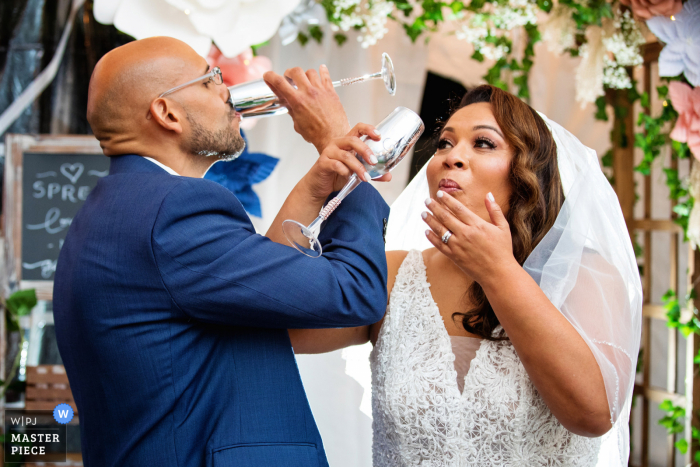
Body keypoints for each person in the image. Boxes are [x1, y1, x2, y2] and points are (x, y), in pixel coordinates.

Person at [53, 36, 392, 467]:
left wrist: (317, 183)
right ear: (167, 113)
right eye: (210, 80)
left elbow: (257, 292)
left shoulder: (118, 210)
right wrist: (346, 148)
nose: (227, 90)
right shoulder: (172, 213)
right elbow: (356, 293)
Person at [289, 85, 642, 466]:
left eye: (484, 143)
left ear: (530, 173)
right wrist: (318, 182)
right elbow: (283, 321)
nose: (452, 157)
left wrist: (497, 270)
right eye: (444, 144)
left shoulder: (586, 276)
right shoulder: (393, 275)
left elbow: (593, 415)